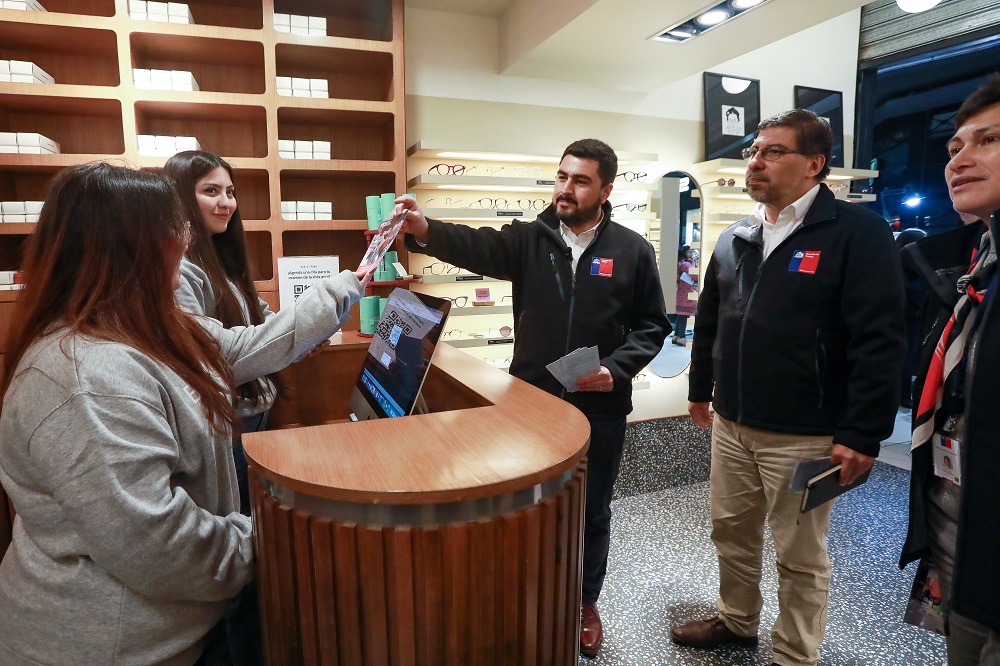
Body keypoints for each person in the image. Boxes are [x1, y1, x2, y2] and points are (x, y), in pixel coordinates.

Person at [0, 163, 369, 665]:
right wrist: (276, 540)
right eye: (173, 234)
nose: (185, 248)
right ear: (129, 251)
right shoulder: (86, 381)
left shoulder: (140, 330)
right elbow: (158, 546)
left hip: (173, 624)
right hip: (121, 644)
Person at [398, 138, 669, 658]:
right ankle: (526, 593)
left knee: (592, 510)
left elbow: (652, 326)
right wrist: (425, 229)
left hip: (600, 408)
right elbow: (473, 244)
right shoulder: (530, 240)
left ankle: (586, 602)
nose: (565, 189)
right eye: (562, 176)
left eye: (580, 180)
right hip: (530, 405)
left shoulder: (633, 250)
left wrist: (616, 370)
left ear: (606, 190)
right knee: (527, 505)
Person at [672, 109, 906, 666]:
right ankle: (736, 620)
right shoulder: (736, 234)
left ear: (814, 165)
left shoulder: (857, 233)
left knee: (800, 552)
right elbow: (712, 319)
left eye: (774, 151)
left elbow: (881, 340)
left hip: (806, 435)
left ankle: (795, 655)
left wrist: (862, 433)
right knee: (730, 532)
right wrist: (701, 387)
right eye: (755, 150)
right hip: (731, 424)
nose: (756, 161)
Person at [900, 74, 1000, 665]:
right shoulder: (974, 271)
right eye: (954, 147)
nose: (960, 159)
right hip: (960, 546)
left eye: (986, 141)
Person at [673, 244, 698, 346]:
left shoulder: (682, 263)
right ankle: (682, 337)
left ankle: (676, 336)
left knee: (681, 314)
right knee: (683, 315)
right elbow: (695, 275)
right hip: (686, 294)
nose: (691, 254)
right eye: (689, 252)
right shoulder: (686, 265)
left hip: (682, 293)